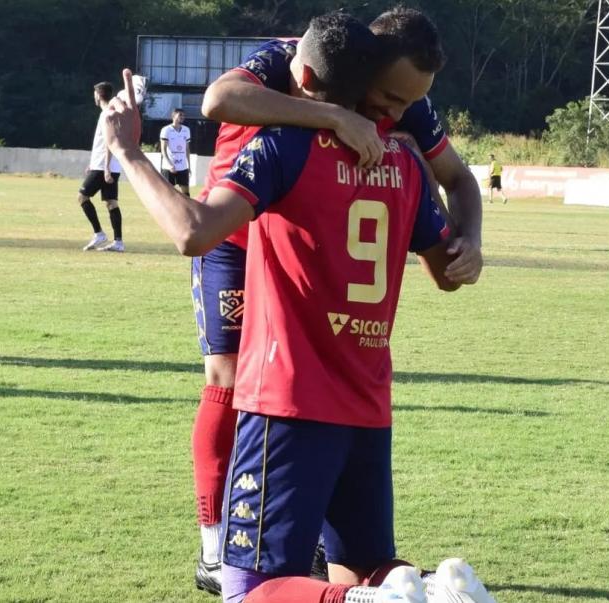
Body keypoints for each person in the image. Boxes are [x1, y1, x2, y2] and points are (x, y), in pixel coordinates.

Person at [102, 15, 494, 601]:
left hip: (285, 392)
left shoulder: (284, 148)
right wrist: (456, 247)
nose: (394, 113)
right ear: (365, 77)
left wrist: (128, 152)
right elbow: (443, 269)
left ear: (305, 75)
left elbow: (191, 231)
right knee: (362, 565)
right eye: (387, 99)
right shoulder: (407, 164)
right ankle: (435, 590)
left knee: (247, 587)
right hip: (365, 398)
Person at [78, 81, 125, 252]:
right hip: (106, 166)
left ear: (98, 95)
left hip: (104, 167)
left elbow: (109, 142)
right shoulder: (109, 114)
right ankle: (118, 242)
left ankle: (99, 234)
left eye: (95, 94)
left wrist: (105, 167)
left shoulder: (106, 115)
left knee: (82, 197)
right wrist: (92, 163)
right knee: (111, 203)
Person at [160, 108, 191, 196]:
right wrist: (170, 165)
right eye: (180, 115)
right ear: (173, 116)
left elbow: (187, 149)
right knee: (167, 194)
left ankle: (186, 210)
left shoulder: (187, 130)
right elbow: (163, 150)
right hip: (169, 167)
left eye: (183, 115)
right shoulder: (166, 130)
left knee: (186, 194)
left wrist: (189, 166)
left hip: (182, 166)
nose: (182, 117)